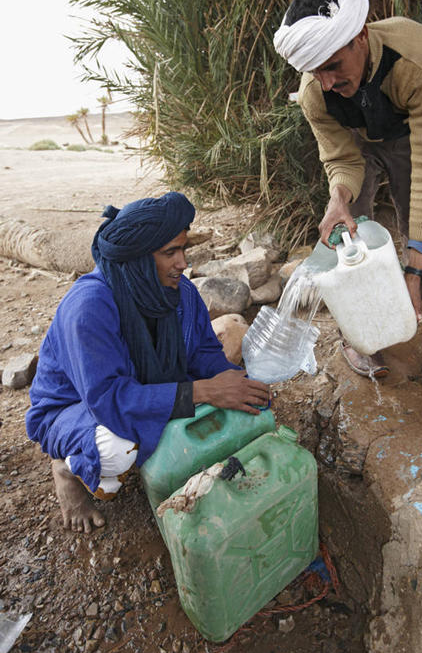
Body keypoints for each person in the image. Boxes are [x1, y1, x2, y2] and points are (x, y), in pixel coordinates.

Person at [26, 192, 270, 533]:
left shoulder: (179, 293)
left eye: (183, 249)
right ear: (137, 258)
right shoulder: (89, 307)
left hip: (138, 387)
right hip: (76, 405)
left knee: (241, 403)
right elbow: (111, 399)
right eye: (170, 252)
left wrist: (235, 381)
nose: (183, 263)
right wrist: (204, 392)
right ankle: (66, 469)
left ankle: (152, 440)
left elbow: (200, 352)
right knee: (117, 451)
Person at [274, 0, 422, 378]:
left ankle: (417, 280)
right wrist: (337, 199)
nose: (327, 82)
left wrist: (414, 269)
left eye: (333, 66)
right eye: (316, 72)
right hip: (356, 138)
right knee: (350, 224)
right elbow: (341, 160)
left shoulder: (416, 58)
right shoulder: (315, 94)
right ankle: (356, 331)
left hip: (405, 136)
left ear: (360, 35)